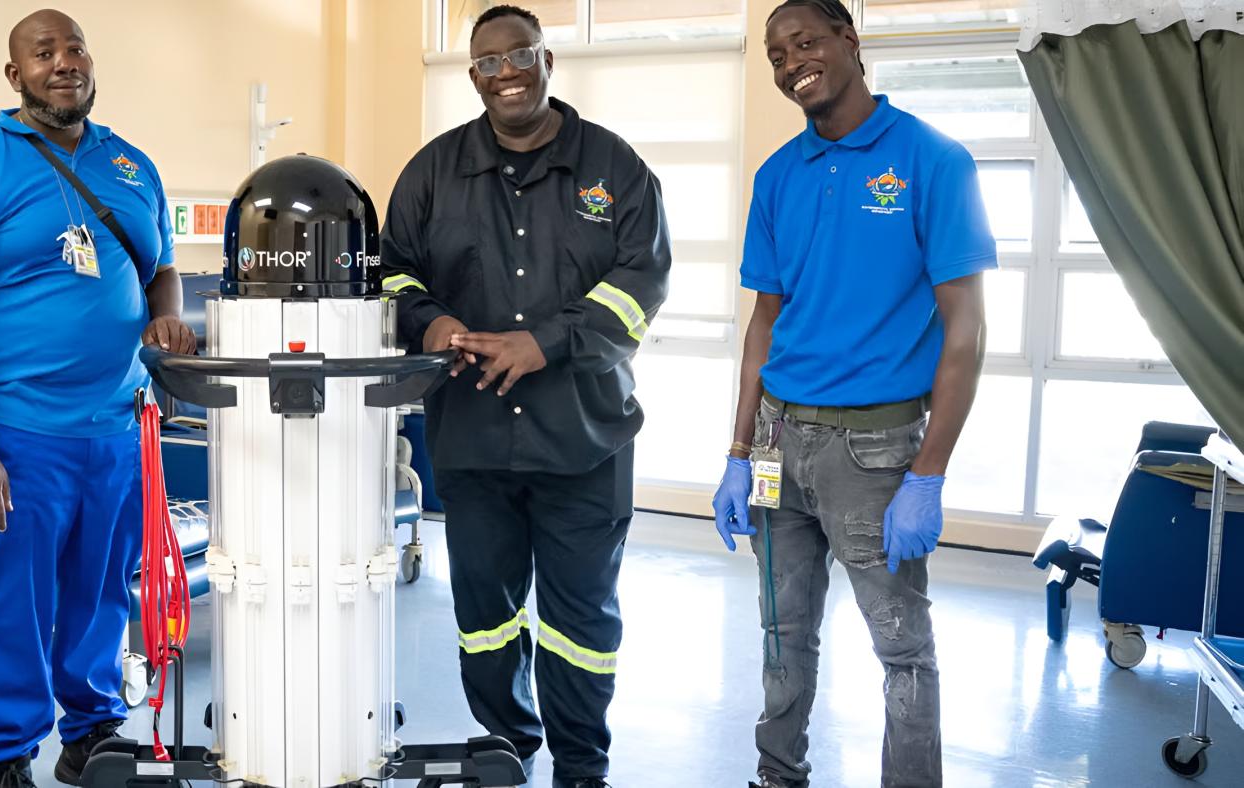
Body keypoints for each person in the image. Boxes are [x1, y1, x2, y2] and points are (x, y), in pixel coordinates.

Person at [380, 6, 670, 786]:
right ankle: (509, 748)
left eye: (521, 55)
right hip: (472, 440)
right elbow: (392, 272)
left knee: (580, 623)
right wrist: (430, 320)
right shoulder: (431, 172)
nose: (505, 71)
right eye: (487, 61)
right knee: (484, 620)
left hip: (583, 439)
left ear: (548, 62)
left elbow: (644, 282)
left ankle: (581, 767)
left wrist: (546, 343)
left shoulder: (614, 168)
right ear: (472, 75)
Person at [0, 9, 196, 788]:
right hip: (16, 433)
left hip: (116, 426)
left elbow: (160, 266)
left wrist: (167, 313)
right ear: (16, 75)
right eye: (44, 53)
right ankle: (3, 758)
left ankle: (92, 731)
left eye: (74, 48)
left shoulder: (131, 165)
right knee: (8, 605)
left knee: (100, 592)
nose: (64, 62)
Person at [712, 1, 994, 786]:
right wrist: (739, 451)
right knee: (781, 636)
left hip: (875, 453)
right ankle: (778, 776)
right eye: (775, 52)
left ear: (850, 42)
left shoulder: (934, 162)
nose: (790, 61)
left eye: (806, 42)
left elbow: (966, 333)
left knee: (902, 649)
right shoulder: (776, 175)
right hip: (776, 444)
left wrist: (928, 474)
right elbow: (762, 327)